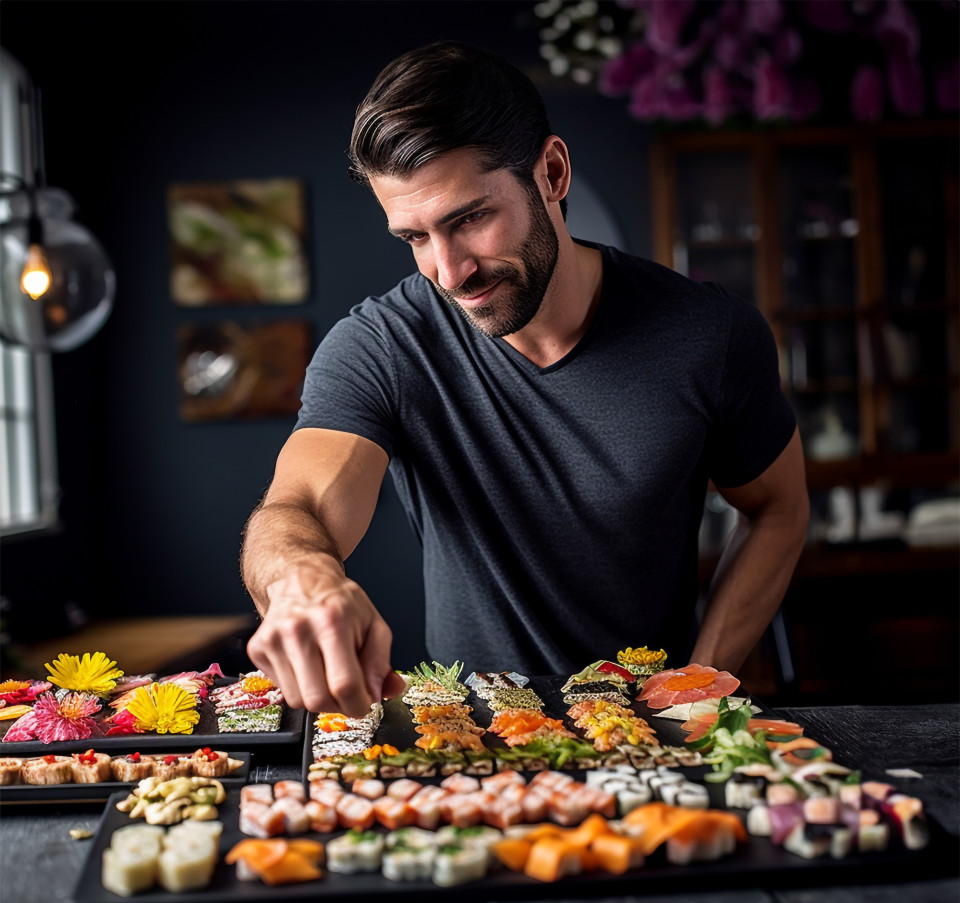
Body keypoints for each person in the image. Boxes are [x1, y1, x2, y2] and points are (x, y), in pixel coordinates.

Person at [240, 40, 810, 718]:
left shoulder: (709, 336)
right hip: (476, 736)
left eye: (471, 218)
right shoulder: (380, 346)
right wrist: (302, 577)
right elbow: (295, 508)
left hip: (655, 730)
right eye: (415, 238)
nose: (449, 272)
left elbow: (778, 506)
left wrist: (699, 684)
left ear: (553, 171)